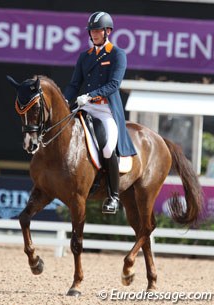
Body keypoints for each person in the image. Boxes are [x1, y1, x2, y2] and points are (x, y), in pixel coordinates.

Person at [64, 11, 136, 214]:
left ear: (107, 31)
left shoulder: (117, 54)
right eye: (92, 31)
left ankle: (113, 196)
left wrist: (90, 95)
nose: (94, 34)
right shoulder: (84, 56)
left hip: (106, 110)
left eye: (98, 31)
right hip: (85, 107)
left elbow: (114, 84)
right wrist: (64, 100)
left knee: (106, 148)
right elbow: (74, 84)